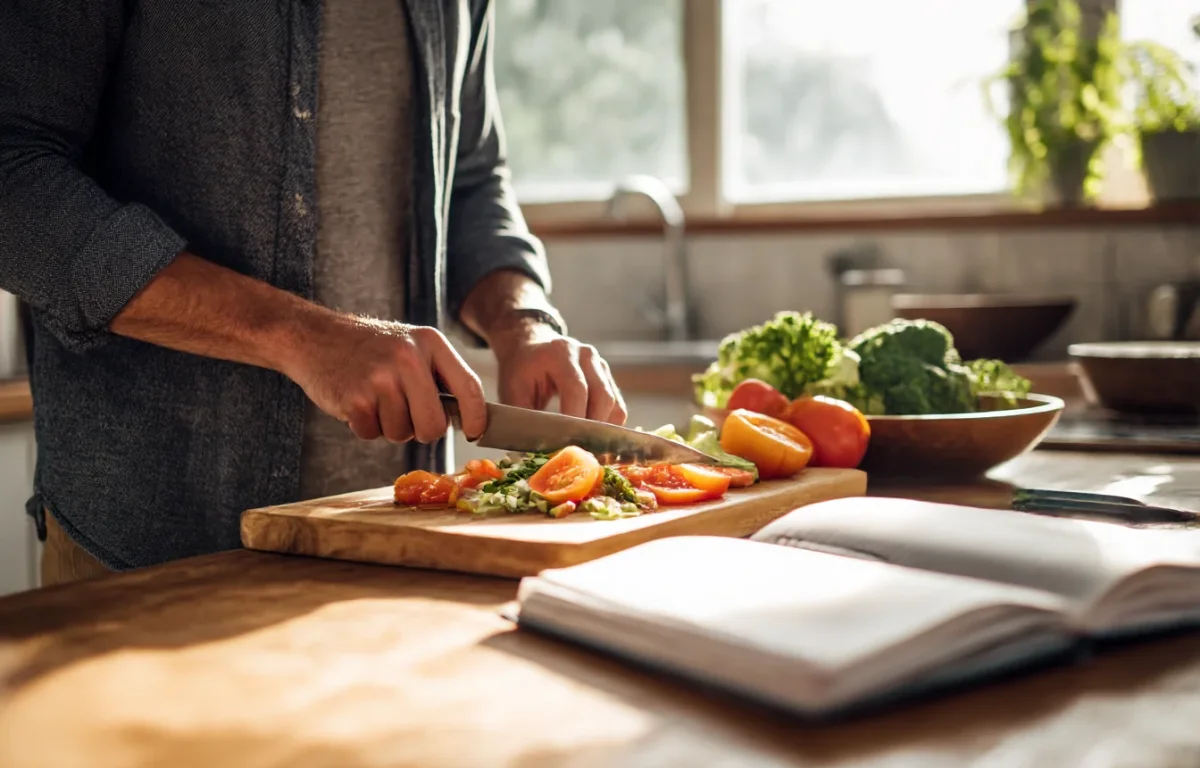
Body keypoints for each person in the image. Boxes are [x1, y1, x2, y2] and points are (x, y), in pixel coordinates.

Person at [0, 0, 627, 586]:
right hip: (150, 544)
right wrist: (302, 336)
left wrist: (523, 323)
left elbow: (470, 179)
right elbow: (14, 175)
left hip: (404, 534)